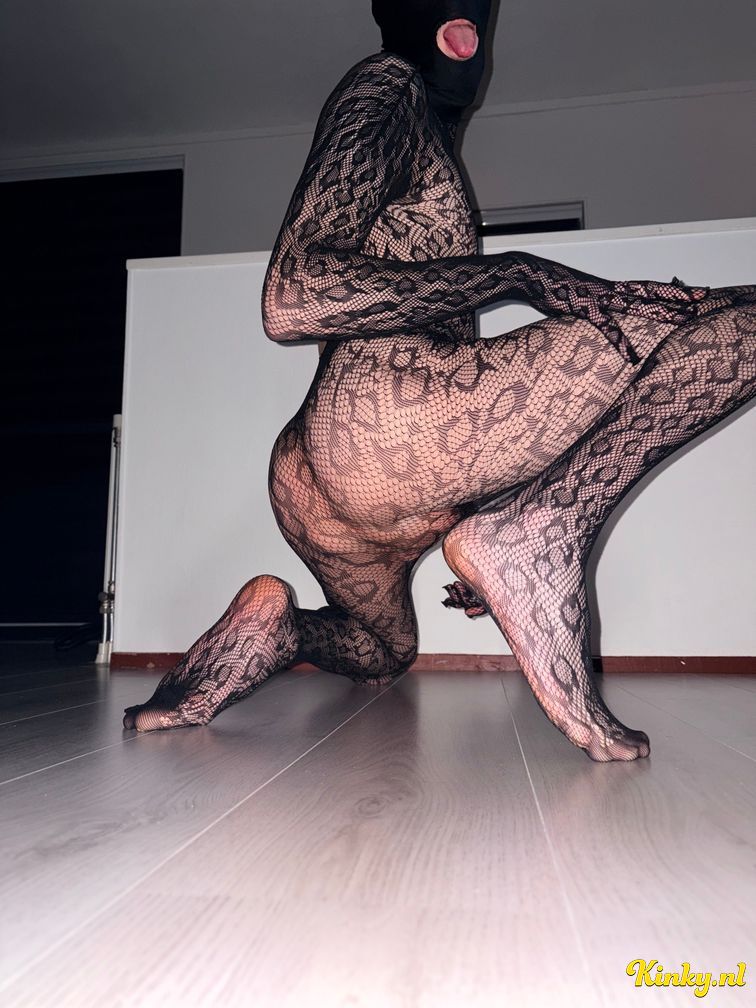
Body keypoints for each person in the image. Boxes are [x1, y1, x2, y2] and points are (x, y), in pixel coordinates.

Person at [124, 0, 755, 760]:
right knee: (729, 322)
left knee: (384, 650)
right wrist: (521, 273)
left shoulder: (421, 127)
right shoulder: (388, 85)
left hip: (321, 484)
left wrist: (475, 498)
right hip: (383, 423)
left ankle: (279, 629)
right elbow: (294, 295)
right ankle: (542, 530)